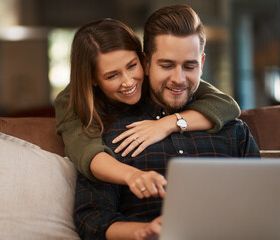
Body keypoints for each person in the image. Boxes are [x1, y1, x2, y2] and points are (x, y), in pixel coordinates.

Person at [73, 4, 260, 240]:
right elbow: (91, 219)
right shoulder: (112, 133)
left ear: (202, 63)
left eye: (189, 66)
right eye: (167, 65)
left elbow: (264, 207)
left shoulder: (234, 132)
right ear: (146, 62)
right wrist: (143, 231)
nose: (178, 79)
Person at [55, 19, 241, 199]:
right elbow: (88, 153)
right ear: (92, 79)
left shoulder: (164, 80)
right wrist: (134, 176)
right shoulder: (72, 99)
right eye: (112, 76)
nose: (128, 82)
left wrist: (166, 124)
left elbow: (226, 105)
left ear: (144, 61)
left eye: (132, 66)